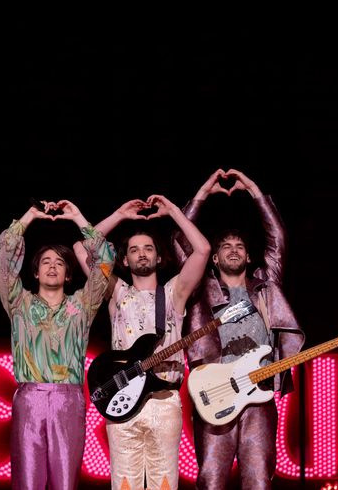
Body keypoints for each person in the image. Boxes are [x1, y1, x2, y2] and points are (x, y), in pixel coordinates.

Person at [175, 169, 305, 490]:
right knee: (210, 480)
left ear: (248, 257)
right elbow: (181, 243)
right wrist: (203, 193)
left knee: (260, 480)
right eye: (225, 246)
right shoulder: (201, 290)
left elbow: (278, 237)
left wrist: (255, 192)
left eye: (239, 245)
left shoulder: (265, 285)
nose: (233, 248)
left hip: (258, 397)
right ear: (215, 259)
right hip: (215, 394)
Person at [74, 195, 211, 490]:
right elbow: (81, 249)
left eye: (148, 248)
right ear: (124, 260)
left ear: (159, 257)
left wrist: (173, 211)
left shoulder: (174, 292)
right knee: (124, 483)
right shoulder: (116, 292)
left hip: (164, 401)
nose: (142, 254)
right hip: (122, 398)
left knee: (164, 484)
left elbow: (203, 250)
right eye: (134, 250)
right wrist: (119, 214)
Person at [0, 199, 115, 490]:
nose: (52, 267)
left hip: (68, 400)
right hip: (29, 398)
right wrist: (30, 216)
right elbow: (5, 252)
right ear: (35, 272)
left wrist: (77, 217)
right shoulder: (18, 302)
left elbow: (106, 260)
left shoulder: (81, 305)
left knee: (65, 483)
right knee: (27, 482)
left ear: (68, 274)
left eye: (60, 262)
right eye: (46, 262)